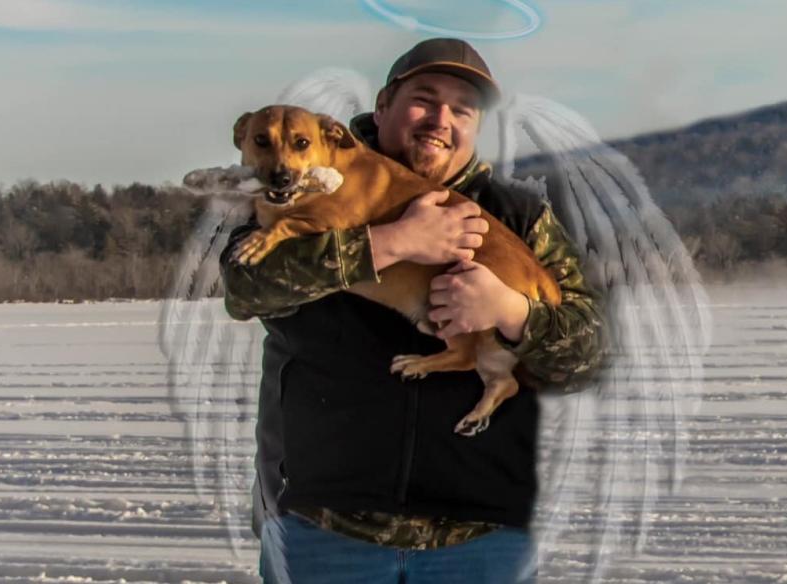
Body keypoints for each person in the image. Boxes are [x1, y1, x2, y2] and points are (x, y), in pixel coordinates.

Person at [220, 38, 606, 584]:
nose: (440, 119)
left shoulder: (518, 216)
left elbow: (585, 356)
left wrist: (511, 309)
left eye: (462, 108)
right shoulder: (295, 191)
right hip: (324, 527)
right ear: (383, 108)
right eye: (424, 99)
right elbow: (244, 287)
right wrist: (390, 243)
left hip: (480, 538)